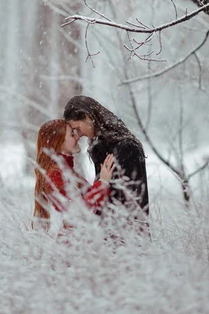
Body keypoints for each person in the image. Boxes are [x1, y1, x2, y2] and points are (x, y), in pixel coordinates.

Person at [63, 96, 150, 227]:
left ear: (87, 117)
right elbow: (102, 198)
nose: (79, 134)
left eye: (77, 127)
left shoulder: (127, 147)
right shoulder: (99, 147)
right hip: (105, 233)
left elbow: (132, 202)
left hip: (127, 236)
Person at [32, 119, 115, 231]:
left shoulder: (65, 171)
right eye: (72, 135)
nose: (77, 138)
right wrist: (102, 183)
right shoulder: (55, 175)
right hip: (71, 246)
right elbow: (76, 213)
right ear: (59, 143)